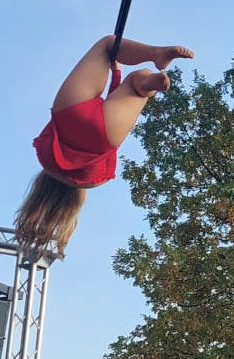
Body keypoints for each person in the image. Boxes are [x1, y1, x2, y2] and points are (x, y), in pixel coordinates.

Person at [14, 35, 192, 257]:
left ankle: (147, 83)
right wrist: (112, 70)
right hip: (71, 113)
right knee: (108, 46)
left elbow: (108, 159)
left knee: (137, 86)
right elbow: (48, 133)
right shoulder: (46, 161)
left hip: (104, 134)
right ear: (38, 189)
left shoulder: (91, 183)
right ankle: (155, 54)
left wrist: (122, 84)